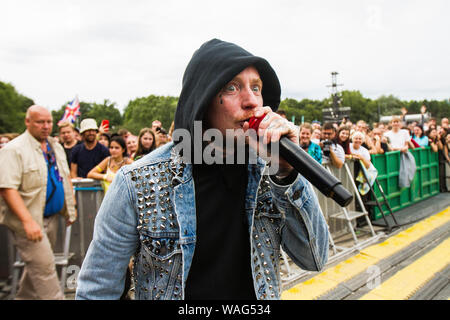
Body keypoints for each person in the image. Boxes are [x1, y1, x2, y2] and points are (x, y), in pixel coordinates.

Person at [76, 38, 329, 300]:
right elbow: (97, 288)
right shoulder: (137, 181)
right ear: (203, 98)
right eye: (232, 87)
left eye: (256, 87)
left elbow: (315, 259)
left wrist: (287, 174)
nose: (251, 101)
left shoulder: (272, 171)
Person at [0, 105, 77, 300]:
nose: (45, 126)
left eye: (49, 122)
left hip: (52, 219)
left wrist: (71, 207)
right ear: (27, 122)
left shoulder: (55, 146)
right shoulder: (13, 149)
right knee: (45, 270)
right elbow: (7, 188)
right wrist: (27, 222)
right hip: (29, 222)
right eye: (40, 122)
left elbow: (65, 176)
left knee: (37, 268)